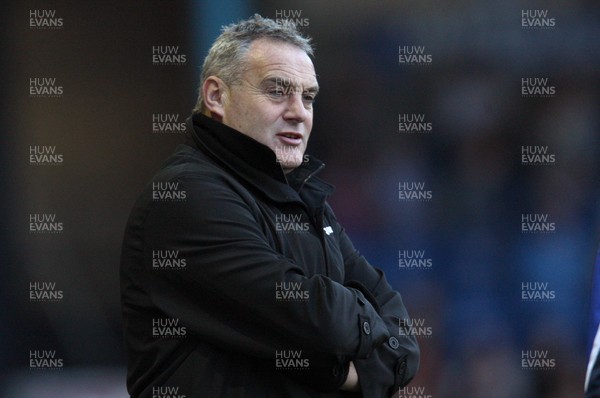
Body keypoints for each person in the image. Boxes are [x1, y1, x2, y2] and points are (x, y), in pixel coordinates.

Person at [120, 14, 419, 398]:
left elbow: (404, 345)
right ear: (216, 97)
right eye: (277, 91)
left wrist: (350, 351)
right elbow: (320, 323)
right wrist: (354, 360)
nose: (298, 112)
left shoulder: (306, 200)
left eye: (307, 96)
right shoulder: (186, 197)